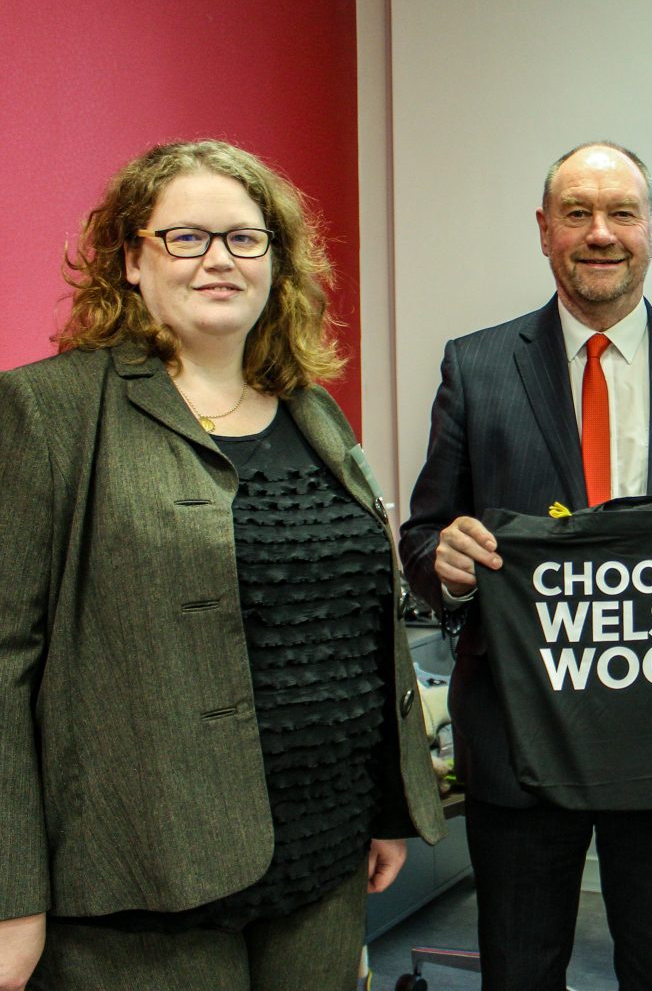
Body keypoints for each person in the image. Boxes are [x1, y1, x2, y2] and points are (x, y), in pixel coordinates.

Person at [0, 140, 446, 991]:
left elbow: (358, 624)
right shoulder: (48, 412)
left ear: (275, 264)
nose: (219, 260)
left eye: (245, 239)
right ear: (131, 259)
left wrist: (387, 805)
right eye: (186, 238)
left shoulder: (311, 409)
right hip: (143, 876)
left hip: (320, 853)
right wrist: (10, 893)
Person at [399, 141, 652, 991]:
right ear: (543, 232)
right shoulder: (475, 367)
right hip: (517, 730)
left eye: (620, 214)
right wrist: (451, 561)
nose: (599, 233)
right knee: (521, 967)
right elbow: (424, 539)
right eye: (576, 213)